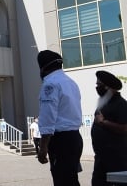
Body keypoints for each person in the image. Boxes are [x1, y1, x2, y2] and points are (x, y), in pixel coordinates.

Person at [36, 50, 83, 186]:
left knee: (62, 181)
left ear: (43, 67)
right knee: (71, 179)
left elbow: (48, 116)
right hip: (75, 137)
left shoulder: (50, 84)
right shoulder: (71, 82)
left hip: (60, 140)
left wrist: (43, 147)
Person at [91, 70, 127, 186]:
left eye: (99, 85)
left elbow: (126, 128)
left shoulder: (121, 104)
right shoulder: (103, 104)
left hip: (116, 156)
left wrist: (104, 122)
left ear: (108, 87)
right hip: (101, 156)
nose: (97, 88)